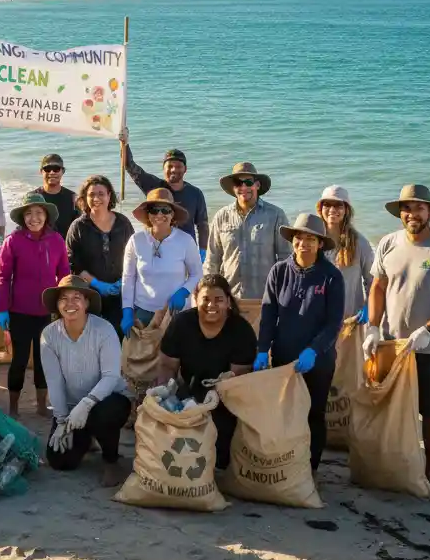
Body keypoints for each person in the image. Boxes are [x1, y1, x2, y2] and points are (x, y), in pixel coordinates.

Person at [362, 185, 430, 497]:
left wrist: (429, 330)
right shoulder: (388, 243)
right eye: (406, 208)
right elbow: (378, 287)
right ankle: (391, 464)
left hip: (429, 347)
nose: (412, 214)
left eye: (419, 208)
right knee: (389, 407)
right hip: (391, 345)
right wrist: (372, 327)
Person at [254, 213, 345, 472]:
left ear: (320, 244)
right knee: (285, 412)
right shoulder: (279, 271)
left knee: (314, 413)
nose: (303, 243)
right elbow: (269, 314)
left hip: (318, 360)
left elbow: (334, 323)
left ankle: (310, 469)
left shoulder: (331, 276)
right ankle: (286, 466)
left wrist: (314, 350)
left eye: (310, 239)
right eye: (298, 238)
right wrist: (262, 349)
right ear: (292, 240)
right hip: (283, 356)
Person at [41, 276, 132, 487]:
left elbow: (111, 376)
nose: (70, 304)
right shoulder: (49, 335)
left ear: (87, 303)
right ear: (57, 304)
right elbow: (54, 381)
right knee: (60, 461)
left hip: (108, 401)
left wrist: (87, 403)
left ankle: (111, 461)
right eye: (64, 298)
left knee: (104, 414)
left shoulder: (104, 329)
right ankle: (87, 437)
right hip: (72, 409)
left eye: (77, 298)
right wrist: (61, 420)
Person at [158, 274, 257, 468]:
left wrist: (212, 401)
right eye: (206, 299)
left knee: (219, 451)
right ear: (196, 299)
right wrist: (165, 395)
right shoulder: (181, 323)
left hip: (226, 398)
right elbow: (167, 366)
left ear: (228, 301)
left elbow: (238, 377)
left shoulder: (241, 331)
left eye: (218, 299)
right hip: (188, 391)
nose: (211, 305)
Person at [0, 192, 70, 417]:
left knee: (43, 360)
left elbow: (64, 276)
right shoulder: (13, 241)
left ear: (46, 216)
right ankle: (13, 408)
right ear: (22, 217)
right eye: (28, 213)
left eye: (38, 213)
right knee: (18, 360)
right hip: (19, 312)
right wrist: (2, 309)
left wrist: (63, 307)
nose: (34, 218)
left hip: (47, 313)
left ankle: (41, 406)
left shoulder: (57, 240)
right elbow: (2, 277)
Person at [121, 189, 203, 336]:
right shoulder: (136, 240)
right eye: (154, 210)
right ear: (148, 214)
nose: (159, 214)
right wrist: (127, 310)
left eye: (165, 210)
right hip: (143, 311)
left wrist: (183, 292)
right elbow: (128, 278)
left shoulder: (185, 240)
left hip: (176, 312)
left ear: (172, 214)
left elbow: (197, 274)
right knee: (141, 351)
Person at [205, 161, 289, 299]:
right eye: (238, 183)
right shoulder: (221, 216)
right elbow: (212, 259)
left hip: (266, 297)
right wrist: (209, 292)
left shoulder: (276, 215)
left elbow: (285, 257)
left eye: (248, 182)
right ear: (233, 187)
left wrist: (282, 293)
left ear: (257, 185)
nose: (243, 187)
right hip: (229, 298)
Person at [65, 175, 135, 335]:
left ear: (109, 195)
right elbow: (72, 263)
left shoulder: (123, 223)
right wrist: (98, 284)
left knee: (118, 337)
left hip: (121, 292)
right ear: (85, 198)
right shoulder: (78, 227)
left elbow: (134, 255)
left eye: (101, 194)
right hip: (89, 294)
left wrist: (123, 282)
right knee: (92, 337)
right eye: (91, 194)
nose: (96, 198)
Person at [119, 139, 209, 253]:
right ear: (163, 168)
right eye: (170, 166)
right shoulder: (154, 186)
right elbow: (129, 165)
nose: (174, 170)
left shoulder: (195, 193)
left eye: (178, 166)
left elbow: (203, 225)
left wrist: (203, 252)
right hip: (157, 250)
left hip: (186, 252)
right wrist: (125, 143)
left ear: (185, 169)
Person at [316, 185, 374, 319]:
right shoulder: (312, 240)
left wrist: (368, 307)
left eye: (338, 205)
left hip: (349, 319)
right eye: (327, 205)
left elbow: (372, 280)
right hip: (316, 319)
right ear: (320, 208)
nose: (332, 210)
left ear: (346, 210)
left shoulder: (360, 243)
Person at [33, 154, 78, 239]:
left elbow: (79, 229)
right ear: (41, 171)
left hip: (65, 246)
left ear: (63, 171)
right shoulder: (32, 198)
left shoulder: (73, 199)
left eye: (56, 169)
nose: (52, 172)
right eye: (47, 169)